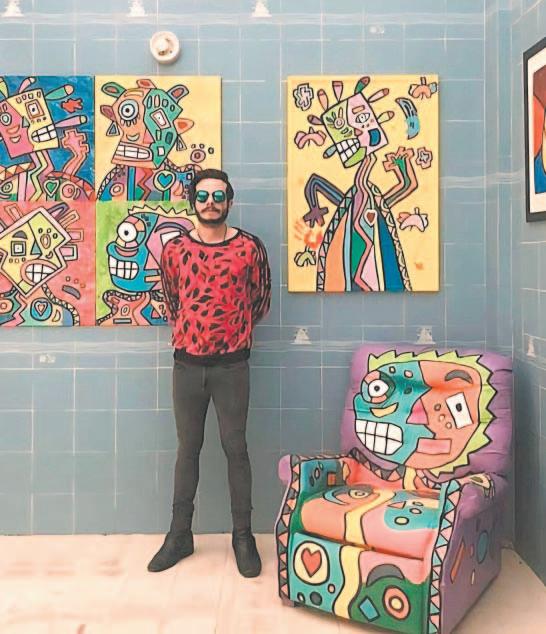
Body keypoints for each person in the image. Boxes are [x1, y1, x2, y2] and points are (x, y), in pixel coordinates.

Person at [148, 169, 271, 578]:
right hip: (187, 364)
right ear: (193, 202)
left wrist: (231, 333)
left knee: (236, 448)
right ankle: (179, 535)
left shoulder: (250, 248)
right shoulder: (175, 250)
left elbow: (260, 300)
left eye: (219, 196)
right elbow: (172, 299)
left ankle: (243, 537)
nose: (211, 203)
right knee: (188, 449)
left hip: (232, 365)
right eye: (203, 196)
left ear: (230, 201)